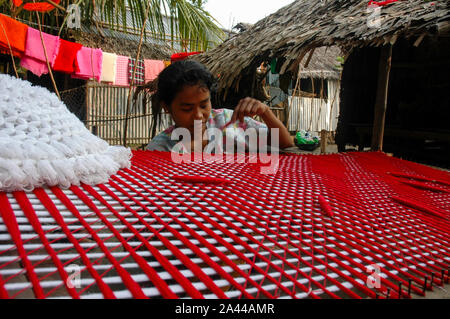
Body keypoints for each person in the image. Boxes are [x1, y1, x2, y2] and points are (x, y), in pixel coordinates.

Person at [144, 60, 293, 153]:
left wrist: (265, 112)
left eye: (204, 105)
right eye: (187, 108)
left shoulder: (229, 121)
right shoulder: (160, 148)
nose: (198, 115)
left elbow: (285, 143)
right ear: (167, 107)